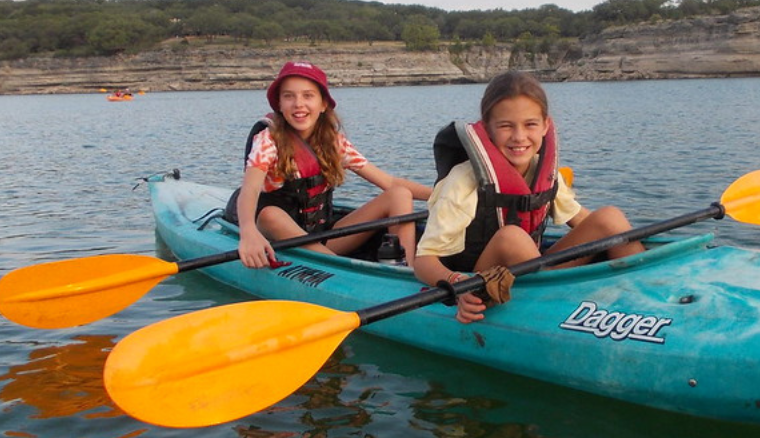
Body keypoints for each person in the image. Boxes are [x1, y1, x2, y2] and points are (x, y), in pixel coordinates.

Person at [414, 70, 644, 323]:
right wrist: (458, 285)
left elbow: (585, 222)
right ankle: (559, 311)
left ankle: (648, 296)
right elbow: (424, 260)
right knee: (512, 238)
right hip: (483, 282)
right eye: (506, 126)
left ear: (545, 126)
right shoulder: (462, 180)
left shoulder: (545, 172)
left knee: (610, 218)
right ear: (487, 129)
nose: (519, 137)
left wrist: (625, 239)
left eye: (530, 124)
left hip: (534, 271)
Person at [226, 61, 431, 269]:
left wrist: (440, 195)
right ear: (279, 104)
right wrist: (248, 230)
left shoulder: (334, 143)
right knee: (271, 214)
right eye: (289, 96)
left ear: (323, 104)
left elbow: (389, 182)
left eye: (308, 96)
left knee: (399, 194)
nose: (298, 104)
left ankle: (405, 268)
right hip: (278, 236)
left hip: (322, 236)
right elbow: (250, 189)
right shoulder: (267, 141)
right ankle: (340, 268)